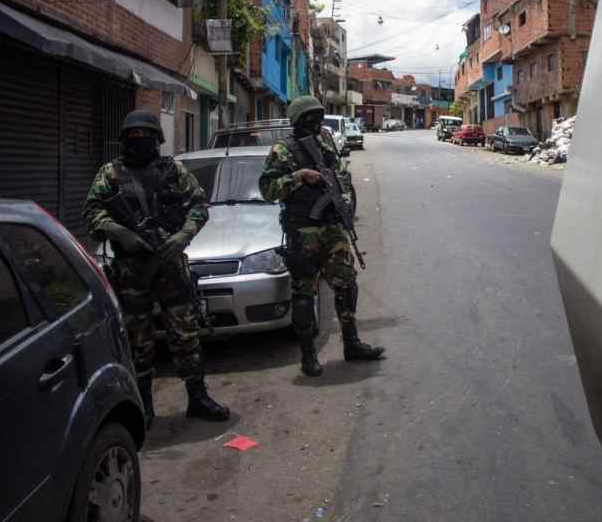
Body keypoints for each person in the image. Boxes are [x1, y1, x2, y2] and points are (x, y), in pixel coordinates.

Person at [83, 109, 230, 427]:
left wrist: (182, 236)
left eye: (145, 136)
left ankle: (198, 398)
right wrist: (120, 232)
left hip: (169, 264)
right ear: (124, 140)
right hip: (131, 270)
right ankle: (145, 406)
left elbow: (199, 205)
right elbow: (92, 212)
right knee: (139, 340)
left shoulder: (174, 170)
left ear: (157, 140)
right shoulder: (110, 173)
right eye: (133, 137)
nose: (139, 142)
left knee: (186, 334)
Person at [260, 95, 385, 377]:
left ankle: (352, 343)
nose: (317, 123)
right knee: (304, 292)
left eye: (319, 117)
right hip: (303, 229)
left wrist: (343, 201)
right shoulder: (283, 150)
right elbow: (268, 189)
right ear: (299, 120)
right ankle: (308, 355)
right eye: (311, 118)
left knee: (346, 284)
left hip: (331, 226)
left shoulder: (325, 143)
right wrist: (299, 176)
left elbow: (341, 175)